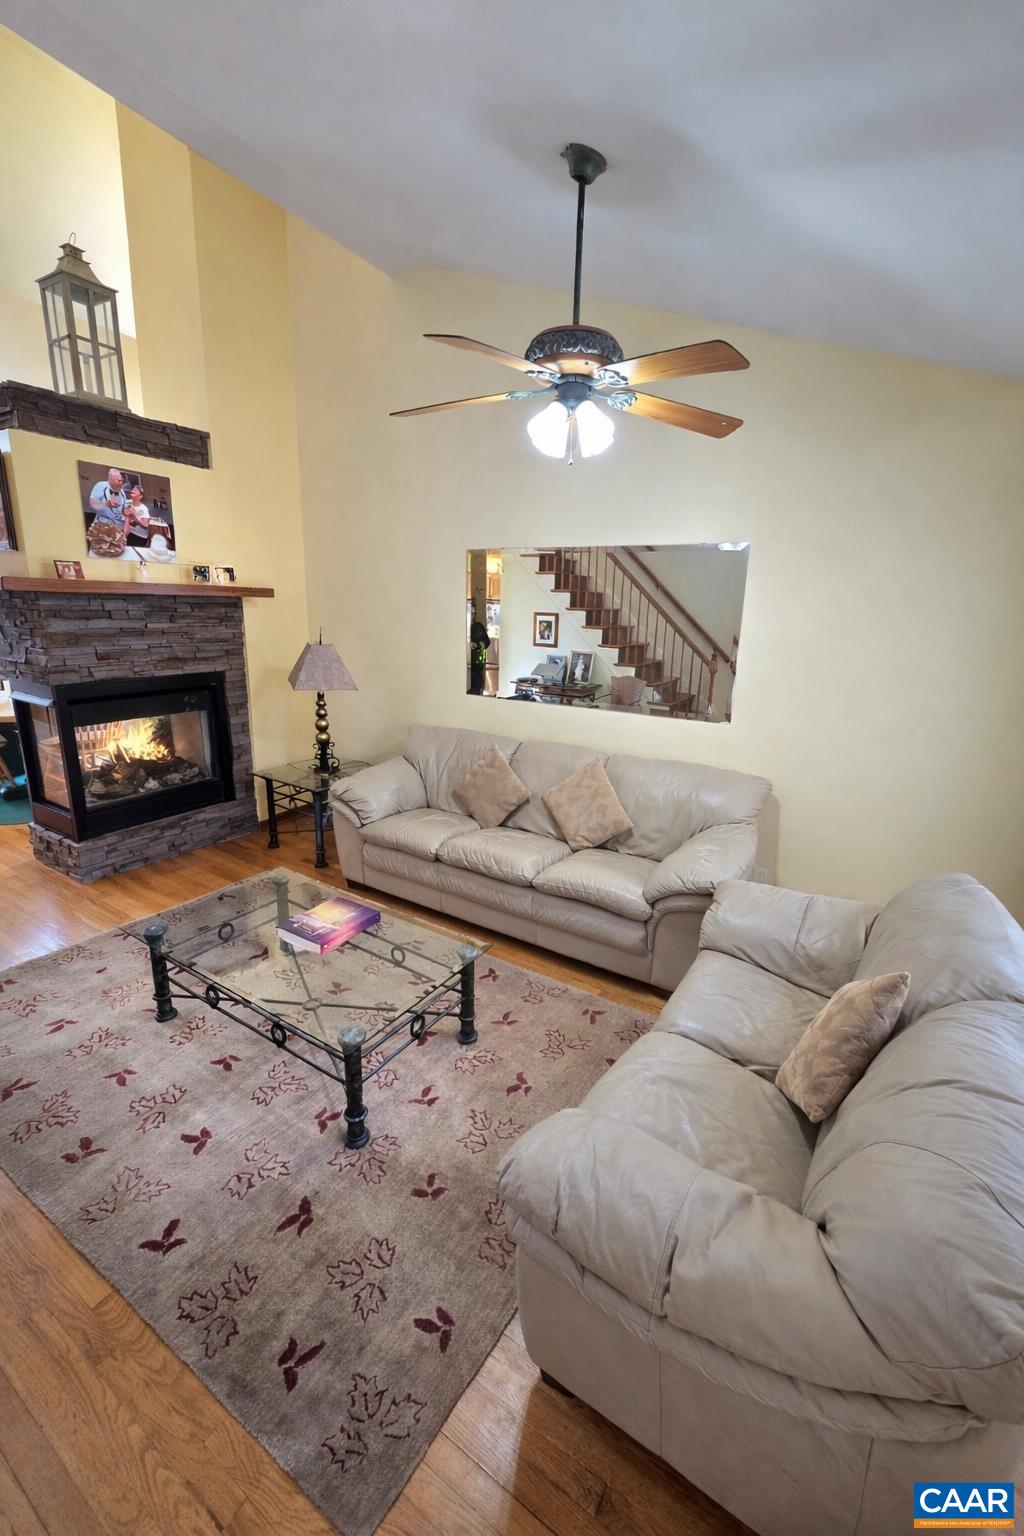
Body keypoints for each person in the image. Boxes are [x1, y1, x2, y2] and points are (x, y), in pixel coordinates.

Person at [468, 604, 490, 695]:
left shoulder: (477, 626)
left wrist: (477, 645)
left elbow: (487, 642)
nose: (473, 614)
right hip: (461, 668)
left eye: (474, 612)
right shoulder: (459, 627)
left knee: (475, 694)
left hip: (477, 667)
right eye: (471, 612)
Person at [125, 484, 151, 548]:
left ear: (140, 496)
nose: (133, 491)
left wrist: (134, 514)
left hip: (139, 536)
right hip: (129, 533)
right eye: (133, 489)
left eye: (136, 490)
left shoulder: (143, 509)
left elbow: (145, 526)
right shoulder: (127, 502)